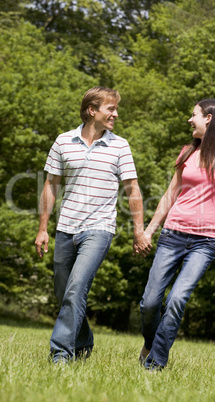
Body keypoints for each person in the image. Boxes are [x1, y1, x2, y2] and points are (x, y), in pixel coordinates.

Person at [35, 86, 152, 364]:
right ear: (92, 111)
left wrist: (139, 229)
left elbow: (132, 189)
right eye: (110, 109)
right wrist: (43, 228)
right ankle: (84, 339)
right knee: (63, 292)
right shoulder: (63, 141)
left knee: (75, 289)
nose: (116, 114)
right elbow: (51, 185)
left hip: (99, 229)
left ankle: (61, 355)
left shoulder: (119, 145)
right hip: (66, 228)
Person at [138, 99, 215, 371]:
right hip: (172, 234)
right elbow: (170, 194)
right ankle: (151, 343)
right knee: (150, 302)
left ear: (209, 118)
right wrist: (149, 230)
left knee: (177, 299)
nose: (190, 120)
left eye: (194, 115)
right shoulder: (187, 152)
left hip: (206, 241)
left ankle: (155, 365)